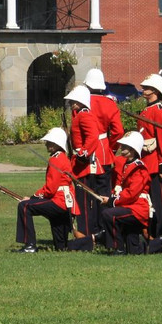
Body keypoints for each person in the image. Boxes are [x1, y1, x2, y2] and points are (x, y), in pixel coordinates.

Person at [15, 127, 80, 253]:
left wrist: (32, 197)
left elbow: (50, 189)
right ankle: (89, 241)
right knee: (61, 247)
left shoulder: (55, 159)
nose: (46, 144)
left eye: (49, 142)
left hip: (58, 201)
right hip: (66, 203)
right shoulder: (63, 158)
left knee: (24, 206)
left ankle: (30, 245)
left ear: (56, 144)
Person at [98, 130, 152, 254]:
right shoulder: (127, 165)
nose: (121, 147)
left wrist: (112, 201)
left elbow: (132, 193)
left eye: (125, 146)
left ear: (133, 149)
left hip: (138, 208)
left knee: (108, 214)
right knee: (134, 250)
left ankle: (118, 248)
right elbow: (121, 187)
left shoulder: (139, 168)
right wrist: (112, 196)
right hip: (130, 206)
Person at [63, 84, 103, 241]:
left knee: (84, 203)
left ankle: (86, 235)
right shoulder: (79, 114)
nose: (72, 103)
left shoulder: (84, 115)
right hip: (79, 163)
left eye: (75, 101)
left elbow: (92, 137)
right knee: (82, 201)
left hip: (83, 164)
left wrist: (83, 154)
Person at [137, 73, 162, 241]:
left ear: (156, 91)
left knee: (158, 201)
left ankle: (160, 233)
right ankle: (150, 232)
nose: (144, 90)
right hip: (145, 161)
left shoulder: (158, 111)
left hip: (154, 162)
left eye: (147, 88)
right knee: (148, 200)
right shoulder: (147, 110)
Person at [82, 68, 121, 204]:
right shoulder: (110, 103)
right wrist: (112, 148)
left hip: (85, 151)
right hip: (103, 151)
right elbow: (118, 131)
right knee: (104, 193)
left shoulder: (82, 102)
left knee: (86, 194)